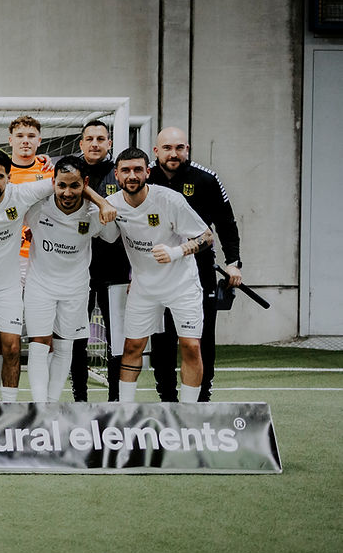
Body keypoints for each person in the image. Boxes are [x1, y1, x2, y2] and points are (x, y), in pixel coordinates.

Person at [0, 149, 114, 402]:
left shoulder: (25, 195)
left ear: (9, 177)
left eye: (0, 177)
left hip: (14, 286)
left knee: (22, 347)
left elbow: (64, 183)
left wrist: (102, 202)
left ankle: (31, 406)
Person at [98, 147, 213, 403]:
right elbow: (107, 235)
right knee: (132, 347)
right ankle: (125, 410)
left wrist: (177, 251)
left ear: (147, 172)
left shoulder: (170, 200)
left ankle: (188, 412)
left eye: (138, 169)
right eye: (125, 170)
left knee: (191, 347)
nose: (132, 175)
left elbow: (206, 236)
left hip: (182, 285)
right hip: (144, 288)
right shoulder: (113, 204)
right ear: (116, 175)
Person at [149, 127, 242, 402]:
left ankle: (203, 397)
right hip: (158, 272)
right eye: (167, 148)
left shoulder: (206, 179)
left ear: (187, 149)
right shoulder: (145, 176)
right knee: (163, 338)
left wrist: (233, 263)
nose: (173, 153)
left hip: (199, 271)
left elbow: (226, 223)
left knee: (200, 338)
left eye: (179, 148)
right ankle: (166, 397)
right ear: (157, 151)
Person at [0, 115, 54, 400]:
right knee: (1, 330)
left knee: (42, 332)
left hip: (43, 262)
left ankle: (43, 399)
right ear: (10, 139)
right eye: (20, 135)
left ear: (39, 140)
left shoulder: (49, 172)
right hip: (5, 260)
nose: (26, 140)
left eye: (31, 135)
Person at [23, 156, 105, 402]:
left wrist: (101, 203)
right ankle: (40, 406)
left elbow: (111, 235)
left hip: (76, 290)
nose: (67, 192)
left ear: (85, 184)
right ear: (53, 183)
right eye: (61, 185)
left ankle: (52, 403)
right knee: (38, 345)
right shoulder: (37, 207)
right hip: (39, 287)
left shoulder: (93, 213)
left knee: (64, 346)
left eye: (74, 186)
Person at [68, 119, 130, 401]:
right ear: (81, 144)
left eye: (100, 139)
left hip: (115, 266)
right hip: (78, 267)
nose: (95, 143)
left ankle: (115, 398)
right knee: (78, 335)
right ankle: (80, 397)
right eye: (89, 139)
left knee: (115, 337)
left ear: (109, 143)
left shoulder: (121, 173)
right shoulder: (69, 171)